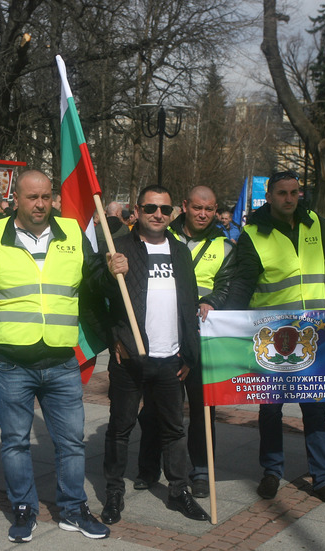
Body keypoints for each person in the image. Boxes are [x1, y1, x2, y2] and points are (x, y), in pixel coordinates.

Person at [0, 170, 121, 543]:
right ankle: (23, 507)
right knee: (15, 441)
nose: (40, 204)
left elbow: (95, 283)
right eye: (32, 198)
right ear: (17, 199)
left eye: (46, 197)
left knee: (72, 442)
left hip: (61, 359)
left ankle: (74, 508)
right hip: (11, 360)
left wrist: (110, 273)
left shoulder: (72, 233)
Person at [221, 170, 325, 510]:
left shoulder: (317, 227)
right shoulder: (253, 234)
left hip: (314, 334)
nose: (289, 198)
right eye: (282, 193)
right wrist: (226, 322)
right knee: (271, 410)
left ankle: (322, 478)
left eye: (294, 192)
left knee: (315, 410)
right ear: (270, 197)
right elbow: (242, 283)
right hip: (272, 337)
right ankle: (271, 471)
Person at [100, 185, 210, 526]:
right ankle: (114, 491)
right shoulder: (118, 249)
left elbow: (189, 304)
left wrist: (189, 356)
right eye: (150, 208)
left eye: (164, 209)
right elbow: (93, 300)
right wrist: (113, 338)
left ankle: (178, 491)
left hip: (171, 358)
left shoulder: (180, 251)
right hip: (130, 357)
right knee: (121, 427)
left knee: (174, 429)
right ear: (138, 209)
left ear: (173, 212)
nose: (157, 214)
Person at [135, 185, 233, 498]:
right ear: (184, 207)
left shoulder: (227, 245)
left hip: (204, 336)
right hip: (165, 332)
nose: (203, 214)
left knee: (204, 408)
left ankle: (201, 471)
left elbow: (231, 283)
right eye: (197, 208)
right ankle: (149, 467)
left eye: (209, 209)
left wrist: (214, 300)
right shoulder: (165, 236)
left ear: (216, 210)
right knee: (154, 407)